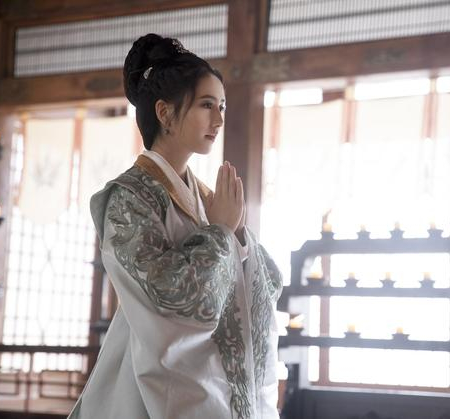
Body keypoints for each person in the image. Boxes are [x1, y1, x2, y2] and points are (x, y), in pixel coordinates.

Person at [68, 34, 283, 419]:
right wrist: (221, 234)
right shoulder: (128, 198)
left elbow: (269, 282)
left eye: (221, 107)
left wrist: (236, 235)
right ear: (165, 114)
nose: (219, 120)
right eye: (206, 105)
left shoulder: (207, 198)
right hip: (144, 382)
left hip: (212, 381)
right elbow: (168, 297)